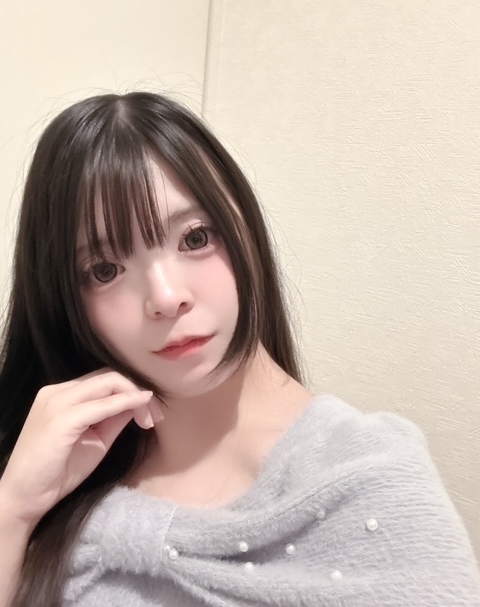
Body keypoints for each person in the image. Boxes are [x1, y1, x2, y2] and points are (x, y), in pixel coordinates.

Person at [0, 92, 478, 607]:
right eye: (104, 270)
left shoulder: (372, 482)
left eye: (195, 238)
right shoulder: (46, 464)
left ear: (246, 229)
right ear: (65, 302)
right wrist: (13, 510)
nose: (166, 297)